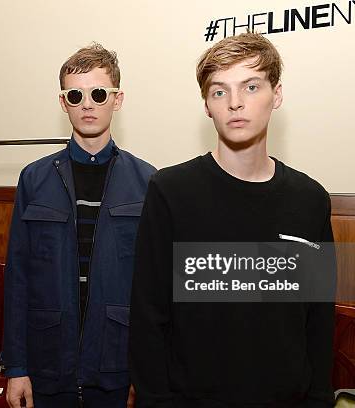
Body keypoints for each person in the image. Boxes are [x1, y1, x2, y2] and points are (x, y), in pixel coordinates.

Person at [129, 32, 335, 407]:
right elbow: (148, 316)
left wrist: (319, 400)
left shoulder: (310, 200)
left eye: (251, 86)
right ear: (207, 105)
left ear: (277, 94)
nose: (235, 103)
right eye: (219, 91)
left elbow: (318, 320)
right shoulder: (171, 191)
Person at [3, 43, 156, 408]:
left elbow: (153, 290)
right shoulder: (34, 179)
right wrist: (16, 368)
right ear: (64, 102)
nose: (87, 104)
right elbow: (18, 278)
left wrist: (147, 372)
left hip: (118, 368)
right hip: (47, 365)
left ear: (116, 100)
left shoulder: (148, 181)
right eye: (76, 94)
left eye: (98, 93)